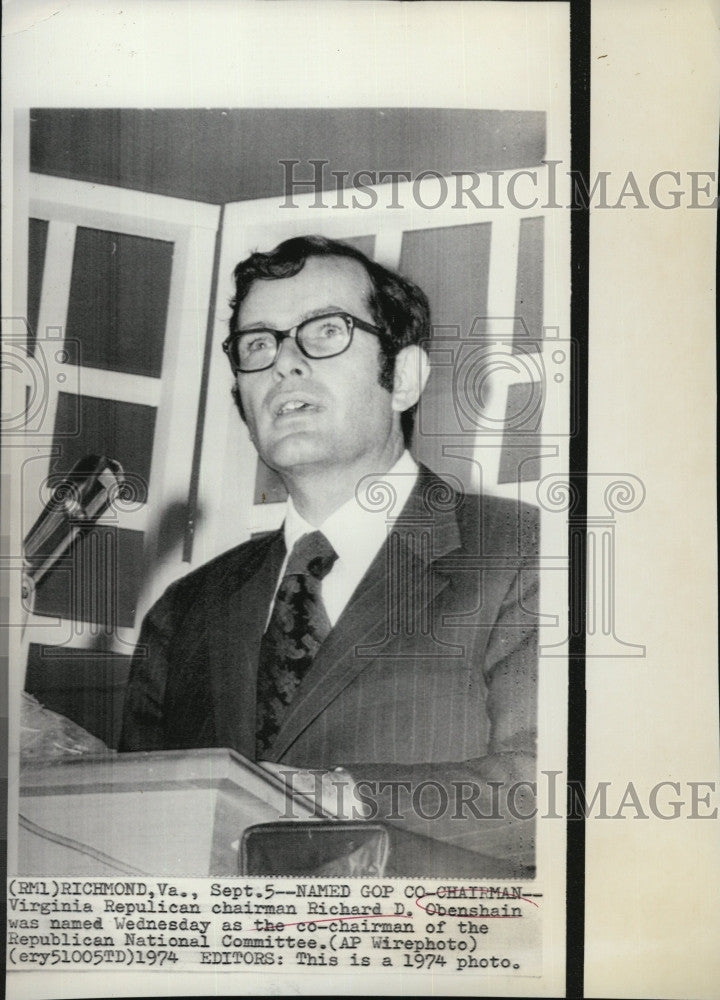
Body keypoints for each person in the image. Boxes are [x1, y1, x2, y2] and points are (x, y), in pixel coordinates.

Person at [120, 235, 538, 876]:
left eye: (325, 331)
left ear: (403, 377)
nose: (283, 362)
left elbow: (555, 790)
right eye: (258, 344)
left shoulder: (523, 555)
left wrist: (335, 796)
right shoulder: (183, 610)